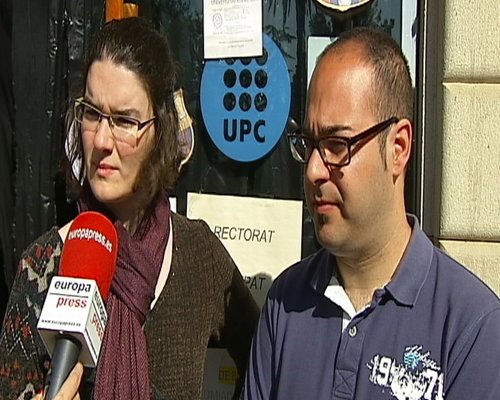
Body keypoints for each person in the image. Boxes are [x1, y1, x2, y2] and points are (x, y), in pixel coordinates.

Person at [0, 17, 259, 400]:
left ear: (160, 130)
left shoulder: (199, 254)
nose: (102, 141)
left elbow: (266, 361)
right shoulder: (41, 266)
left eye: (124, 120)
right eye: (92, 113)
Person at [244, 27, 500, 400]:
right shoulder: (285, 303)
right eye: (308, 144)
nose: (313, 170)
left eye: (336, 145)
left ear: (398, 148)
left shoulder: (471, 328)